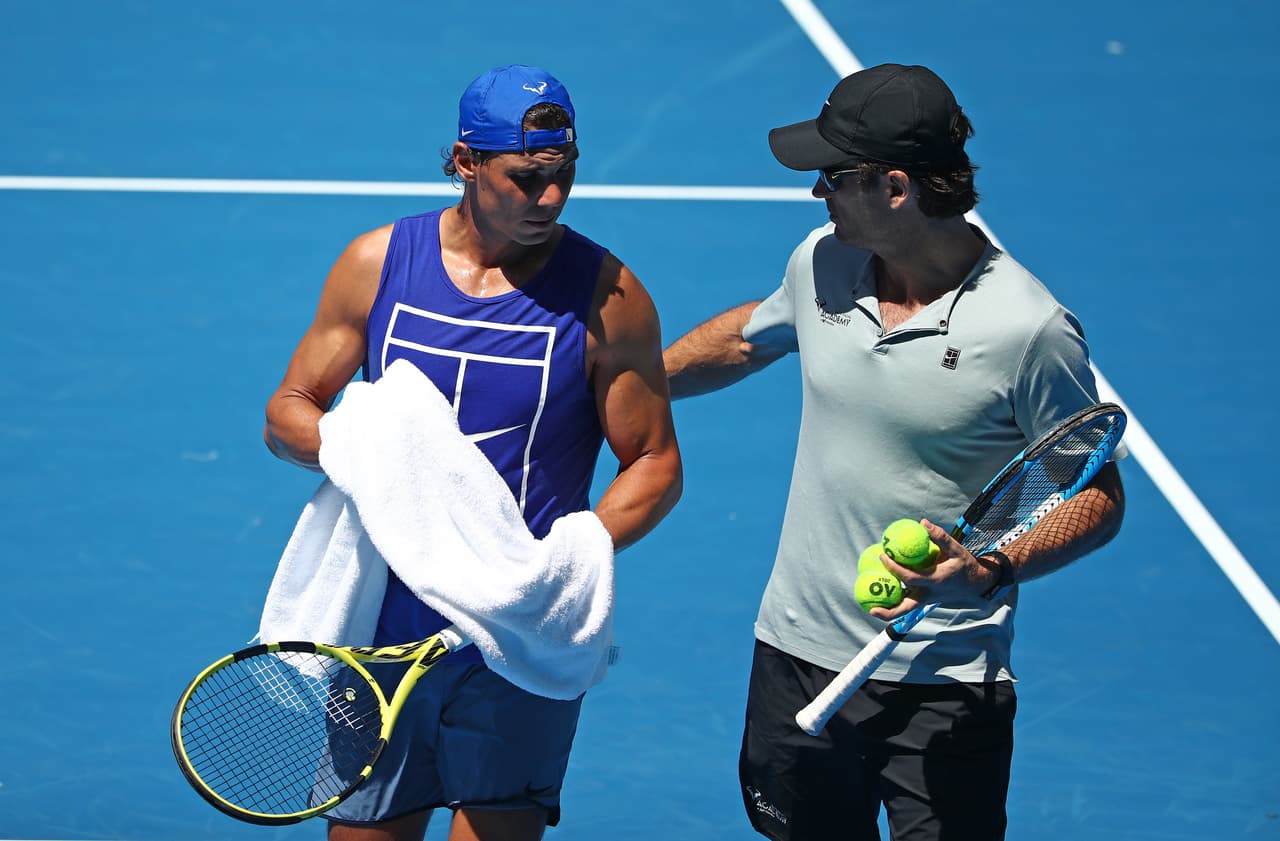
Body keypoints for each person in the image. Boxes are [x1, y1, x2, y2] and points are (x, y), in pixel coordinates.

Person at [662, 63, 1124, 840]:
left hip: (941, 684)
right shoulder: (823, 261)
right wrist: (622, 388)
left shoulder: (1028, 331)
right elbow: (752, 337)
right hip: (796, 648)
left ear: (896, 188)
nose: (818, 194)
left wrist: (986, 570)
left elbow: (1094, 491)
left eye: (834, 177)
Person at [263, 65, 682, 841]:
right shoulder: (377, 263)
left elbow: (655, 462)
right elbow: (288, 412)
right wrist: (378, 451)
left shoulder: (608, 297)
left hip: (517, 634)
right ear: (464, 161)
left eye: (564, 175)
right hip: (381, 632)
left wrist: (569, 559)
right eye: (527, 179)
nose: (550, 198)